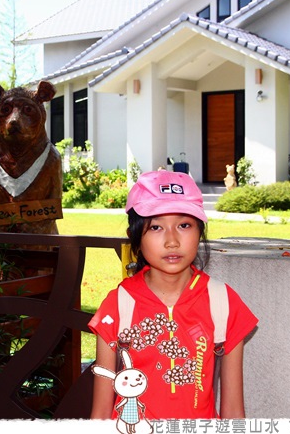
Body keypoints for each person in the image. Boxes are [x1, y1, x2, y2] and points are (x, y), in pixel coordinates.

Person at [89, 171, 258, 421]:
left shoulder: (223, 301)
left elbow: (233, 412)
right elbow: (101, 413)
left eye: (184, 225)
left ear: (200, 231)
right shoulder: (118, 304)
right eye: (156, 227)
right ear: (135, 236)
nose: (172, 241)